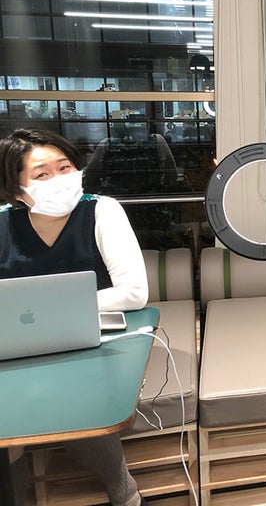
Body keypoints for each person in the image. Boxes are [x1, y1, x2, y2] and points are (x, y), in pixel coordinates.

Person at [0, 128, 149, 506]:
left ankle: (125, 494)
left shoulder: (101, 211)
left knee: (80, 405)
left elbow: (134, 292)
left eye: (64, 167)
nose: (59, 179)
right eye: (42, 174)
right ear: (17, 190)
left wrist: (55, 310)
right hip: (14, 349)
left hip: (92, 342)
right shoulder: (2, 224)